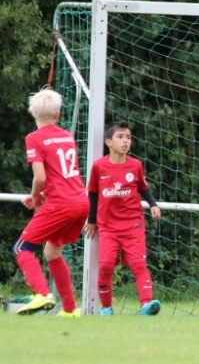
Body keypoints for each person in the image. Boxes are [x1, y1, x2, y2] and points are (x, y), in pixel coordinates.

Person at [12, 88, 90, 317]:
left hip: (61, 204)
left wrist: (35, 194)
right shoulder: (66, 136)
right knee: (52, 252)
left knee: (21, 247)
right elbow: (61, 174)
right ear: (57, 114)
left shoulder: (34, 138)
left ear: (31, 112)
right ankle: (70, 309)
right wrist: (42, 194)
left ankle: (42, 293)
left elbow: (41, 177)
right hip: (80, 201)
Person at [84, 121, 163, 316]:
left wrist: (153, 204)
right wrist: (92, 220)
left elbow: (143, 188)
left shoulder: (135, 165)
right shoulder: (99, 166)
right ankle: (106, 307)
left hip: (132, 224)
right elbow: (93, 193)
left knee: (139, 265)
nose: (125, 141)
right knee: (105, 266)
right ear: (108, 142)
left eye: (128, 137)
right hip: (107, 226)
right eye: (120, 137)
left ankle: (146, 305)